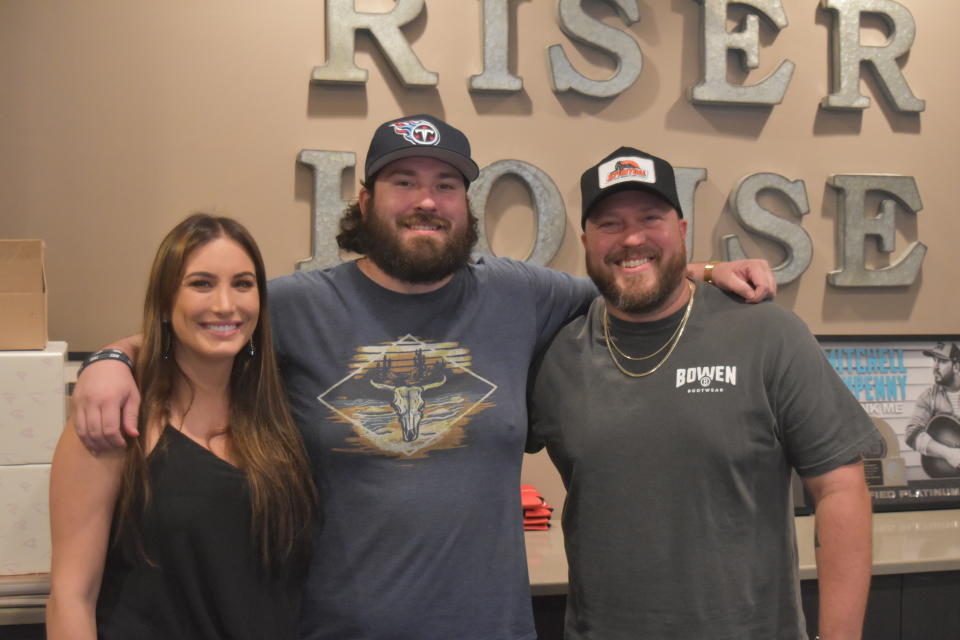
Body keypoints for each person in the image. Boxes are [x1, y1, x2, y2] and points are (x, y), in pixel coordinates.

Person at [69, 115, 776, 640]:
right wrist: (110, 360)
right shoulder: (298, 304)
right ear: (366, 199)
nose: (426, 200)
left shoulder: (520, 294)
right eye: (403, 181)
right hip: (334, 630)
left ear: (467, 204)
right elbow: (202, 325)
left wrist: (704, 270)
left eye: (445, 184)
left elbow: (627, 281)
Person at [527, 147, 879, 640]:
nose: (632, 238)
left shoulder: (769, 335)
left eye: (651, 218)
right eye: (610, 224)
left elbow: (841, 489)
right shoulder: (557, 354)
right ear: (586, 240)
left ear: (683, 230)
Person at [47, 215, 317, 639]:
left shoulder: (281, 415)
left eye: (243, 284)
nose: (226, 305)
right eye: (202, 284)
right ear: (166, 302)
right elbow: (70, 597)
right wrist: (109, 359)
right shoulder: (116, 422)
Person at [904, 342, 960, 473]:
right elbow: (912, 433)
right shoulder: (929, 397)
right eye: (934, 360)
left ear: (956, 367)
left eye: (942, 361)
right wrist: (948, 453)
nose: (935, 367)